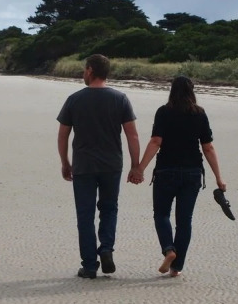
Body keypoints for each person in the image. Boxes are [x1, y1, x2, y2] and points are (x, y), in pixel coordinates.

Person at [131, 76, 226, 277]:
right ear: (192, 91)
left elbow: (156, 142)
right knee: (184, 220)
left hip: (166, 171)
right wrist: (219, 177)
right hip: (192, 173)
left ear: (172, 90)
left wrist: (140, 168)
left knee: (161, 214)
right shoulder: (199, 114)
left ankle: (169, 250)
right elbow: (208, 147)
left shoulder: (163, 112)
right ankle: (176, 267)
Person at [57, 54, 141, 279]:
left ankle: (89, 265)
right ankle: (106, 249)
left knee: (85, 214)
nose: (83, 73)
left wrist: (65, 162)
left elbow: (63, 135)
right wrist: (136, 165)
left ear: (91, 70)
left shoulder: (74, 99)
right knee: (109, 208)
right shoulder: (120, 99)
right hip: (111, 165)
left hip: (84, 165)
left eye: (85, 69)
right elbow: (132, 135)